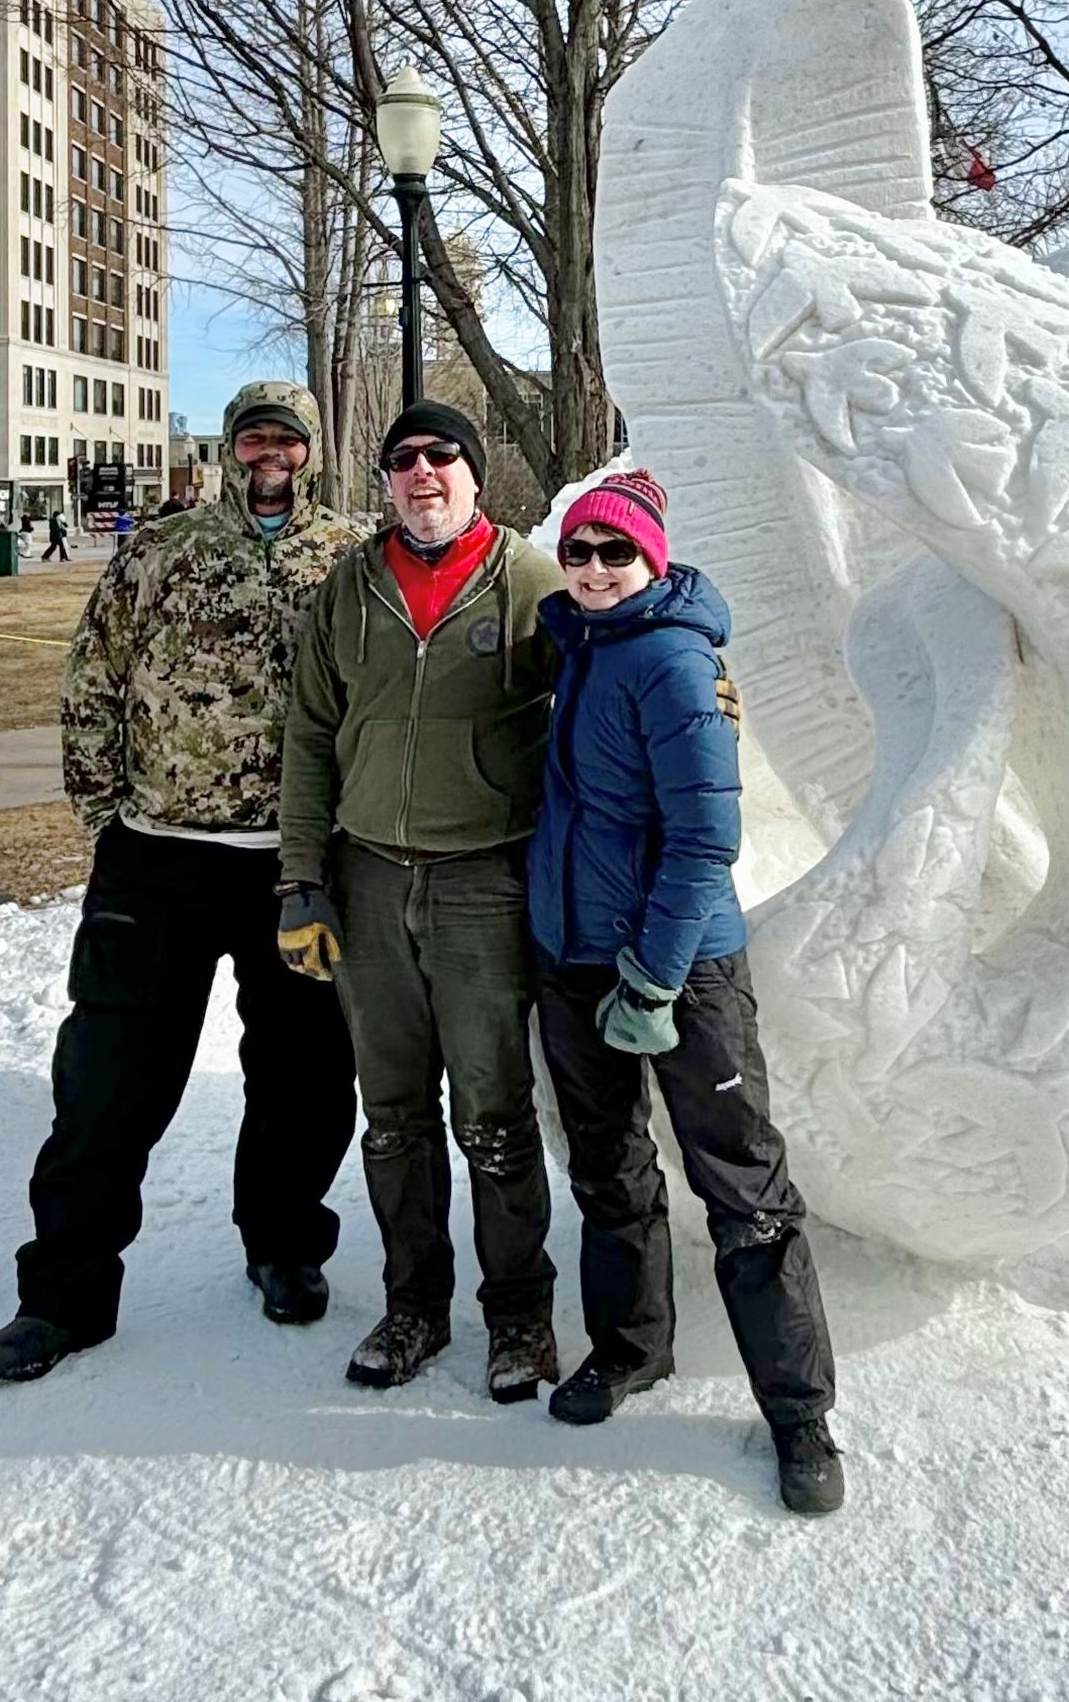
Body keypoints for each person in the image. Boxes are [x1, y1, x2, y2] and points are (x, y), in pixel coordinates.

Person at [0, 381, 362, 1383]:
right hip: (157, 858)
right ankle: (62, 1293)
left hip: (296, 864)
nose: (270, 453)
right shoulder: (160, 549)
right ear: (231, 449)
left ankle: (284, 1244)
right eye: (253, 437)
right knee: (107, 1080)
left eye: (287, 439)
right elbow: (92, 678)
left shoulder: (351, 558)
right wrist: (107, 820)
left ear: (311, 452)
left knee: (306, 1075)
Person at [528, 470, 843, 1516]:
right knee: (609, 1166)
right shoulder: (579, 646)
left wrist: (657, 973)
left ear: (653, 561)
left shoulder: (672, 659)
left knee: (742, 1183)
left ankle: (799, 1412)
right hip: (575, 957)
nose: (594, 569)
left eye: (616, 552)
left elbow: (707, 837)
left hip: (681, 970)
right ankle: (631, 1347)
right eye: (579, 551)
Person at [278, 400, 562, 1405]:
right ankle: (415, 1304)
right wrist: (301, 880)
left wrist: (700, 684)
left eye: (443, 454)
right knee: (393, 1114)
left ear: (475, 473)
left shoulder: (530, 580)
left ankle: (519, 1313)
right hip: (368, 880)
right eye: (403, 459)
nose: (423, 471)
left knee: (493, 1111)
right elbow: (310, 735)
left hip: (483, 882)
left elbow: (615, 664)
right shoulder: (350, 588)